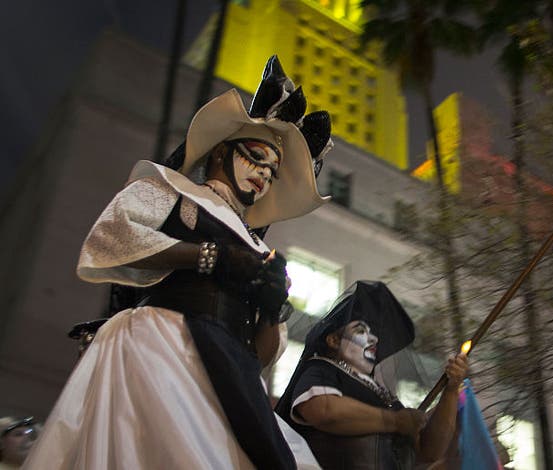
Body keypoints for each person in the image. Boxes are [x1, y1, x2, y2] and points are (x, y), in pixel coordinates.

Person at [24, 56, 331, 470]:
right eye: (256, 157)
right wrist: (211, 258)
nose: (263, 174)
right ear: (222, 151)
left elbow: (258, 355)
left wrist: (272, 307)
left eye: (272, 172)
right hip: (161, 351)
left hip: (232, 377)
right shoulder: (172, 191)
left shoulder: (257, 248)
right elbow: (116, 236)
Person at [276, 281, 469, 469]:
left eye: (374, 332)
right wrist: (395, 421)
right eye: (360, 329)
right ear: (334, 340)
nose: (374, 338)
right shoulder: (321, 369)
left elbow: (430, 451)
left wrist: (451, 390)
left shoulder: (384, 396)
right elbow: (323, 410)